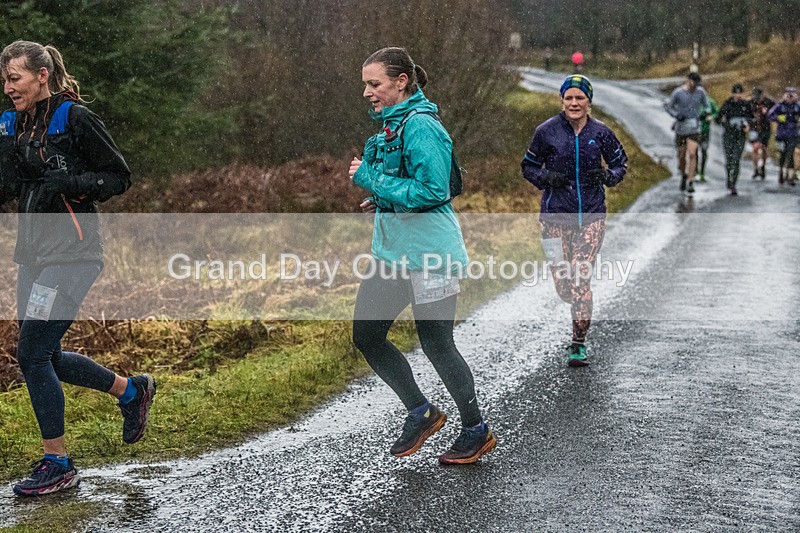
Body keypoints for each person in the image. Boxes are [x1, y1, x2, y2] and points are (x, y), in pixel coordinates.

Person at [0, 40, 155, 496]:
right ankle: (131, 391)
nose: (8, 88)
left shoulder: (75, 118)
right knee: (45, 355)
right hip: (33, 254)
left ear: (42, 75)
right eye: (5, 80)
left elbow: (119, 176)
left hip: (74, 253)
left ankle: (58, 464)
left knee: (32, 354)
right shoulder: (12, 125)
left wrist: (72, 183)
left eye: (15, 78)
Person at [348, 47, 495, 465]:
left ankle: (476, 430)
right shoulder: (390, 128)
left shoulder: (422, 126)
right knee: (367, 336)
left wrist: (371, 179)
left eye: (374, 84)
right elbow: (407, 187)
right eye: (365, 84)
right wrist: (381, 198)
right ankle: (421, 412)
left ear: (401, 82)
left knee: (436, 343)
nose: (367, 92)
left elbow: (433, 190)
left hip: (431, 254)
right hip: (392, 254)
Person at [521, 75, 628, 366]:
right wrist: (547, 178)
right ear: (562, 101)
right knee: (563, 284)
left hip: (591, 216)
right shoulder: (546, 132)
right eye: (569, 98)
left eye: (580, 98)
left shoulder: (601, 133)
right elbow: (528, 167)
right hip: (554, 218)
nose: (574, 103)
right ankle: (577, 302)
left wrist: (608, 176)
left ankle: (578, 343)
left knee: (580, 279)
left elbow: (620, 164)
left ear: (589, 102)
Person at [664, 72, 708, 194]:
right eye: (692, 82)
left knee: (692, 153)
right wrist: (676, 115)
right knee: (681, 155)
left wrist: (704, 113)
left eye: (696, 83)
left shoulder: (700, 92)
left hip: (695, 127)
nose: (693, 85)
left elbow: (707, 106)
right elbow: (668, 107)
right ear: (687, 80)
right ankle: (684, 174)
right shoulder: (678, 92)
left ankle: (691, 181)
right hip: (681, 127)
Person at [716, 83, 754, 195]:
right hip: (728, 135)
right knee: (729, 160)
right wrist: (727, 124)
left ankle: (734, 184)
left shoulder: (746, 105)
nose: (738, 95)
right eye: (736, 93)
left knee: (736, 160)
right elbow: (718, 118)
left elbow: (752, 118)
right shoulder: (727, 104)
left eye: (740, 93)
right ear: (732, 94)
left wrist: (747, 124)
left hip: (740, 135)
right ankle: (729, 177)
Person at [768, 86, 800, 185]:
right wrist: (778, 118)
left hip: (794, 134)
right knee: (783, 154)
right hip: (781, 135)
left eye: (792, 94)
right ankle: (781, 172)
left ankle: (790, 177)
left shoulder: (798, 106)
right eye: (788, 94)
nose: (790, 96)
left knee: (790, 153)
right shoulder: (780, 106)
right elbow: (770, 115)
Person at [749, 87, 774, 179]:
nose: (757, 99)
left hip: (765, 128)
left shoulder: (769, 102)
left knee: (764, 148)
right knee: (755, 148)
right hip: (754, 128)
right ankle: (755, 169)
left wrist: (767, 112)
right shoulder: (750, 102)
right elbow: (747, 113)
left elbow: (775, 113)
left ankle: (763, 166)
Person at [698, 95, 719, 182]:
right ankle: (694, 171)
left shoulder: (710, 102)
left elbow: (717, 112)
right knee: (693, 152)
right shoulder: (693, 100)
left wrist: (712, 117)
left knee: (704, 151)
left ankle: (702, 172)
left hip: (705, 131)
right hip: (693, 131)